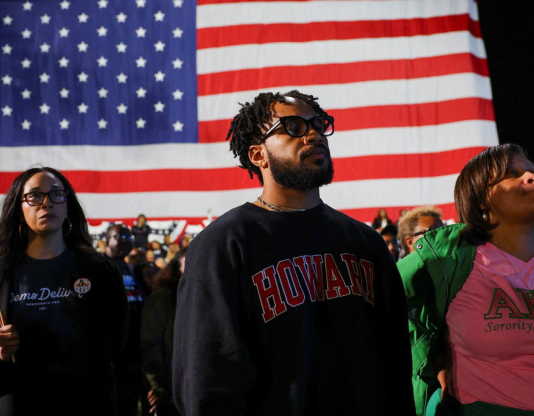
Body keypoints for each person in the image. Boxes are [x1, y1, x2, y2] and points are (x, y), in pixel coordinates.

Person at [172, 90, 415, 415]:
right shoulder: (223, 244)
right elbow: (206, 377)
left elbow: (395, 362)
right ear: (259, 155)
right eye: (293, 127)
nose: (314, 133)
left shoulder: (365, 243)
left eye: (318, 123)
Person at [399, 144, 534, 416]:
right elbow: (376, 296)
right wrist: (434, 355)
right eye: (511, 174)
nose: (531, 178)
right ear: (480, 199)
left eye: (532, 172)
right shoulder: (447, 256)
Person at [0, 166, 128, 416]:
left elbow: (119, 349)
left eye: (56, 194)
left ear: (67, 205)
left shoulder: (101, 272)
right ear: (18, 208)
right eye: (34, 196)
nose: (46, 203)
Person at [104, 224, 148, 416]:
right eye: (120, 237)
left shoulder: (132, 268)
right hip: (112, 349)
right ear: (107, 240)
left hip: (135, 346)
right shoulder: (99, 266)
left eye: (128, 237)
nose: (126, 241)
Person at [141, 249, 186, 416]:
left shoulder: (202, 297)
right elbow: (150, 343)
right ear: (176, 268)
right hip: (168, 391)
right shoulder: (163, 298)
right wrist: (156, 384)